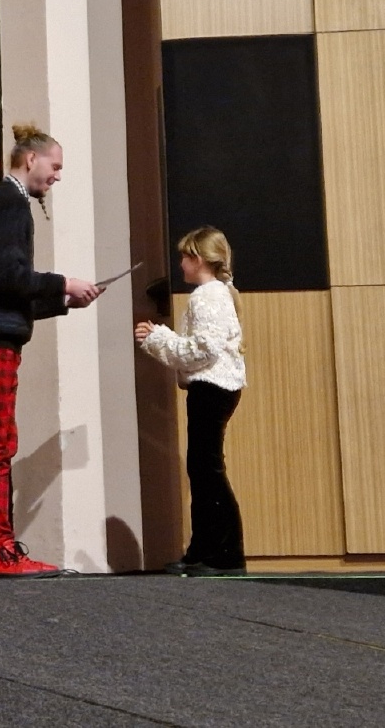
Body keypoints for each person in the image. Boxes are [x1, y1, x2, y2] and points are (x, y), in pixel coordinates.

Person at [0, 123, 101, 579]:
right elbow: (11, 278)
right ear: (31, 159)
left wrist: (63, 301)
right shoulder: (12, 202)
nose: (57, 176)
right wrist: (64, 283)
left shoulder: (9, 202)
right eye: (55, 166)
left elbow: (8, 291)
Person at [135, 226, 247, 577]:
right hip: (215, 387)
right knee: (202, 469)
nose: (181, 263)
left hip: (212, 387)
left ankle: (224, 554)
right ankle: (204, 550)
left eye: (186, 256)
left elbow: (202, 350)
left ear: (200, 259)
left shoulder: (207, 296)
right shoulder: (216, 294)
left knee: (206, 470)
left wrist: (157, 338)